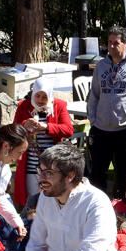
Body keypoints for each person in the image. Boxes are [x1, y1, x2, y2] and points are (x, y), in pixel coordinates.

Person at [86, 25, 126, 199]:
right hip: (101, 130)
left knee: (123, 178)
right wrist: (92, 119)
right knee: (97, 176)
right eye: (109, 42)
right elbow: (93, 95)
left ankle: (121, 214)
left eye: (116, 43)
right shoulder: (101, 66)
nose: (112, 46)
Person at [13, 77, 74, 207]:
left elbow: (68, 129)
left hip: (52, 163)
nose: (40, 100)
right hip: (31, 162)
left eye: (44, 97)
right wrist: (25, 125)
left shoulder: (59, 105)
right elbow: (15, 129)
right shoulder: (24, 106)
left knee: (50, 199)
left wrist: (46, 127)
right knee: (32, 200)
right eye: (38, 96)